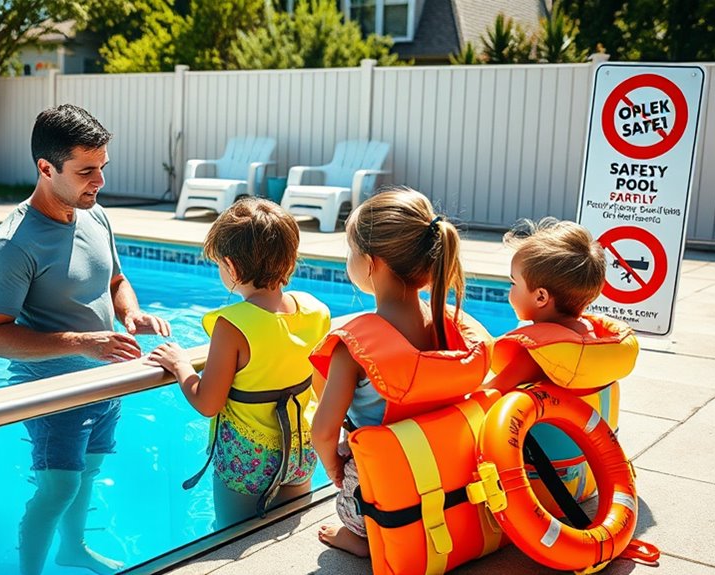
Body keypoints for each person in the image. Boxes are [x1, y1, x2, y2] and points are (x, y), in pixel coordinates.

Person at [0, 104, 171, 575]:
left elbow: (116, 280)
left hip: (104, 382)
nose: (99, 181)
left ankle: (73, 550)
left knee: (88, 475)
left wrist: (131, 313)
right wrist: (84, 342)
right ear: (46, 168)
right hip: (51, 393)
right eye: (86, 171)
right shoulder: (12, 246)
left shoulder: (94, 215)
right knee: (58, 487)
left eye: (102, 167)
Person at [308, 187, 491, 557]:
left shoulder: (354, 346)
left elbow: (323, 432)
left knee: (350, 463)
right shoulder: (447, 324)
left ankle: (361, 537)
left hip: (390, 499)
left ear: (372, 263)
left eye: (351, 250)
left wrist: (337, 472)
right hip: (453, 481)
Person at [145, 198, 330, 527]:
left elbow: (208, 402)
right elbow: (319, 386)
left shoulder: (233, 325)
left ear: (231, 267)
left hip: (248, 459)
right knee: (287, 529)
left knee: (232, 539)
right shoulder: (315, 310)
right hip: (301, 449)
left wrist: (180, 365)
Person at [479, 218, 638, 513]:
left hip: (542, 484)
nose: (508, 290)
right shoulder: (590, 341)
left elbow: (486, 398)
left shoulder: (539, 352)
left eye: (514, 283)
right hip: (587, 478)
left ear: (540, 297)